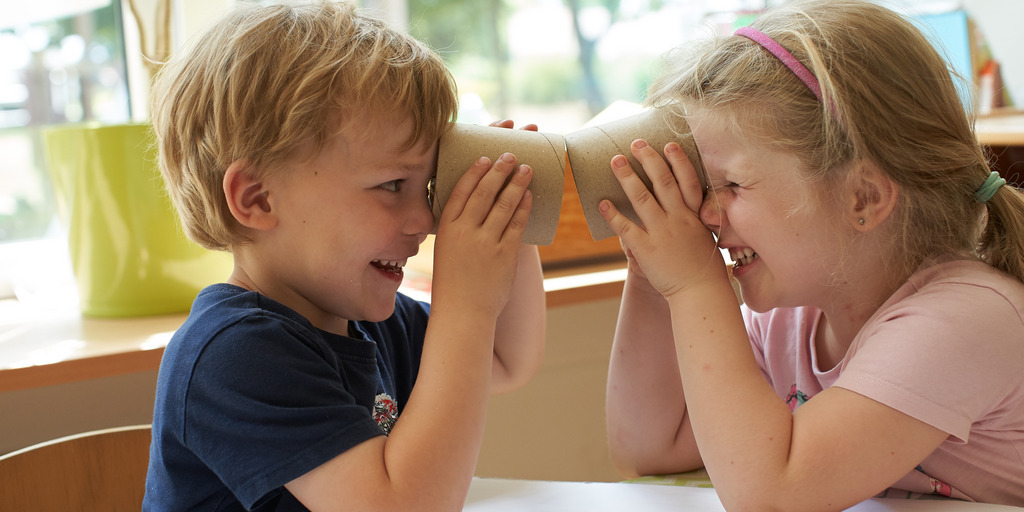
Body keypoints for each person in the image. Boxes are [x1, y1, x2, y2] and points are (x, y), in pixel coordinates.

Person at [601, 0, 1024, 509]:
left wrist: (694, 286)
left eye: (731, 184)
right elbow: (648, 448)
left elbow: (772, 496)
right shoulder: (788, 323)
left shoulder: (967, 318)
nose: (707, 215)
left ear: (862, 198)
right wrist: (653, 279)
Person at [142, 2, 547, 510]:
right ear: (258, 199)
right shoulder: (235, 351)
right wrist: (467, 303)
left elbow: (505, 359)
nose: (425, 221)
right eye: (392, 184)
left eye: (429, 188)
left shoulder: (362, 316)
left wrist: (513, 215)